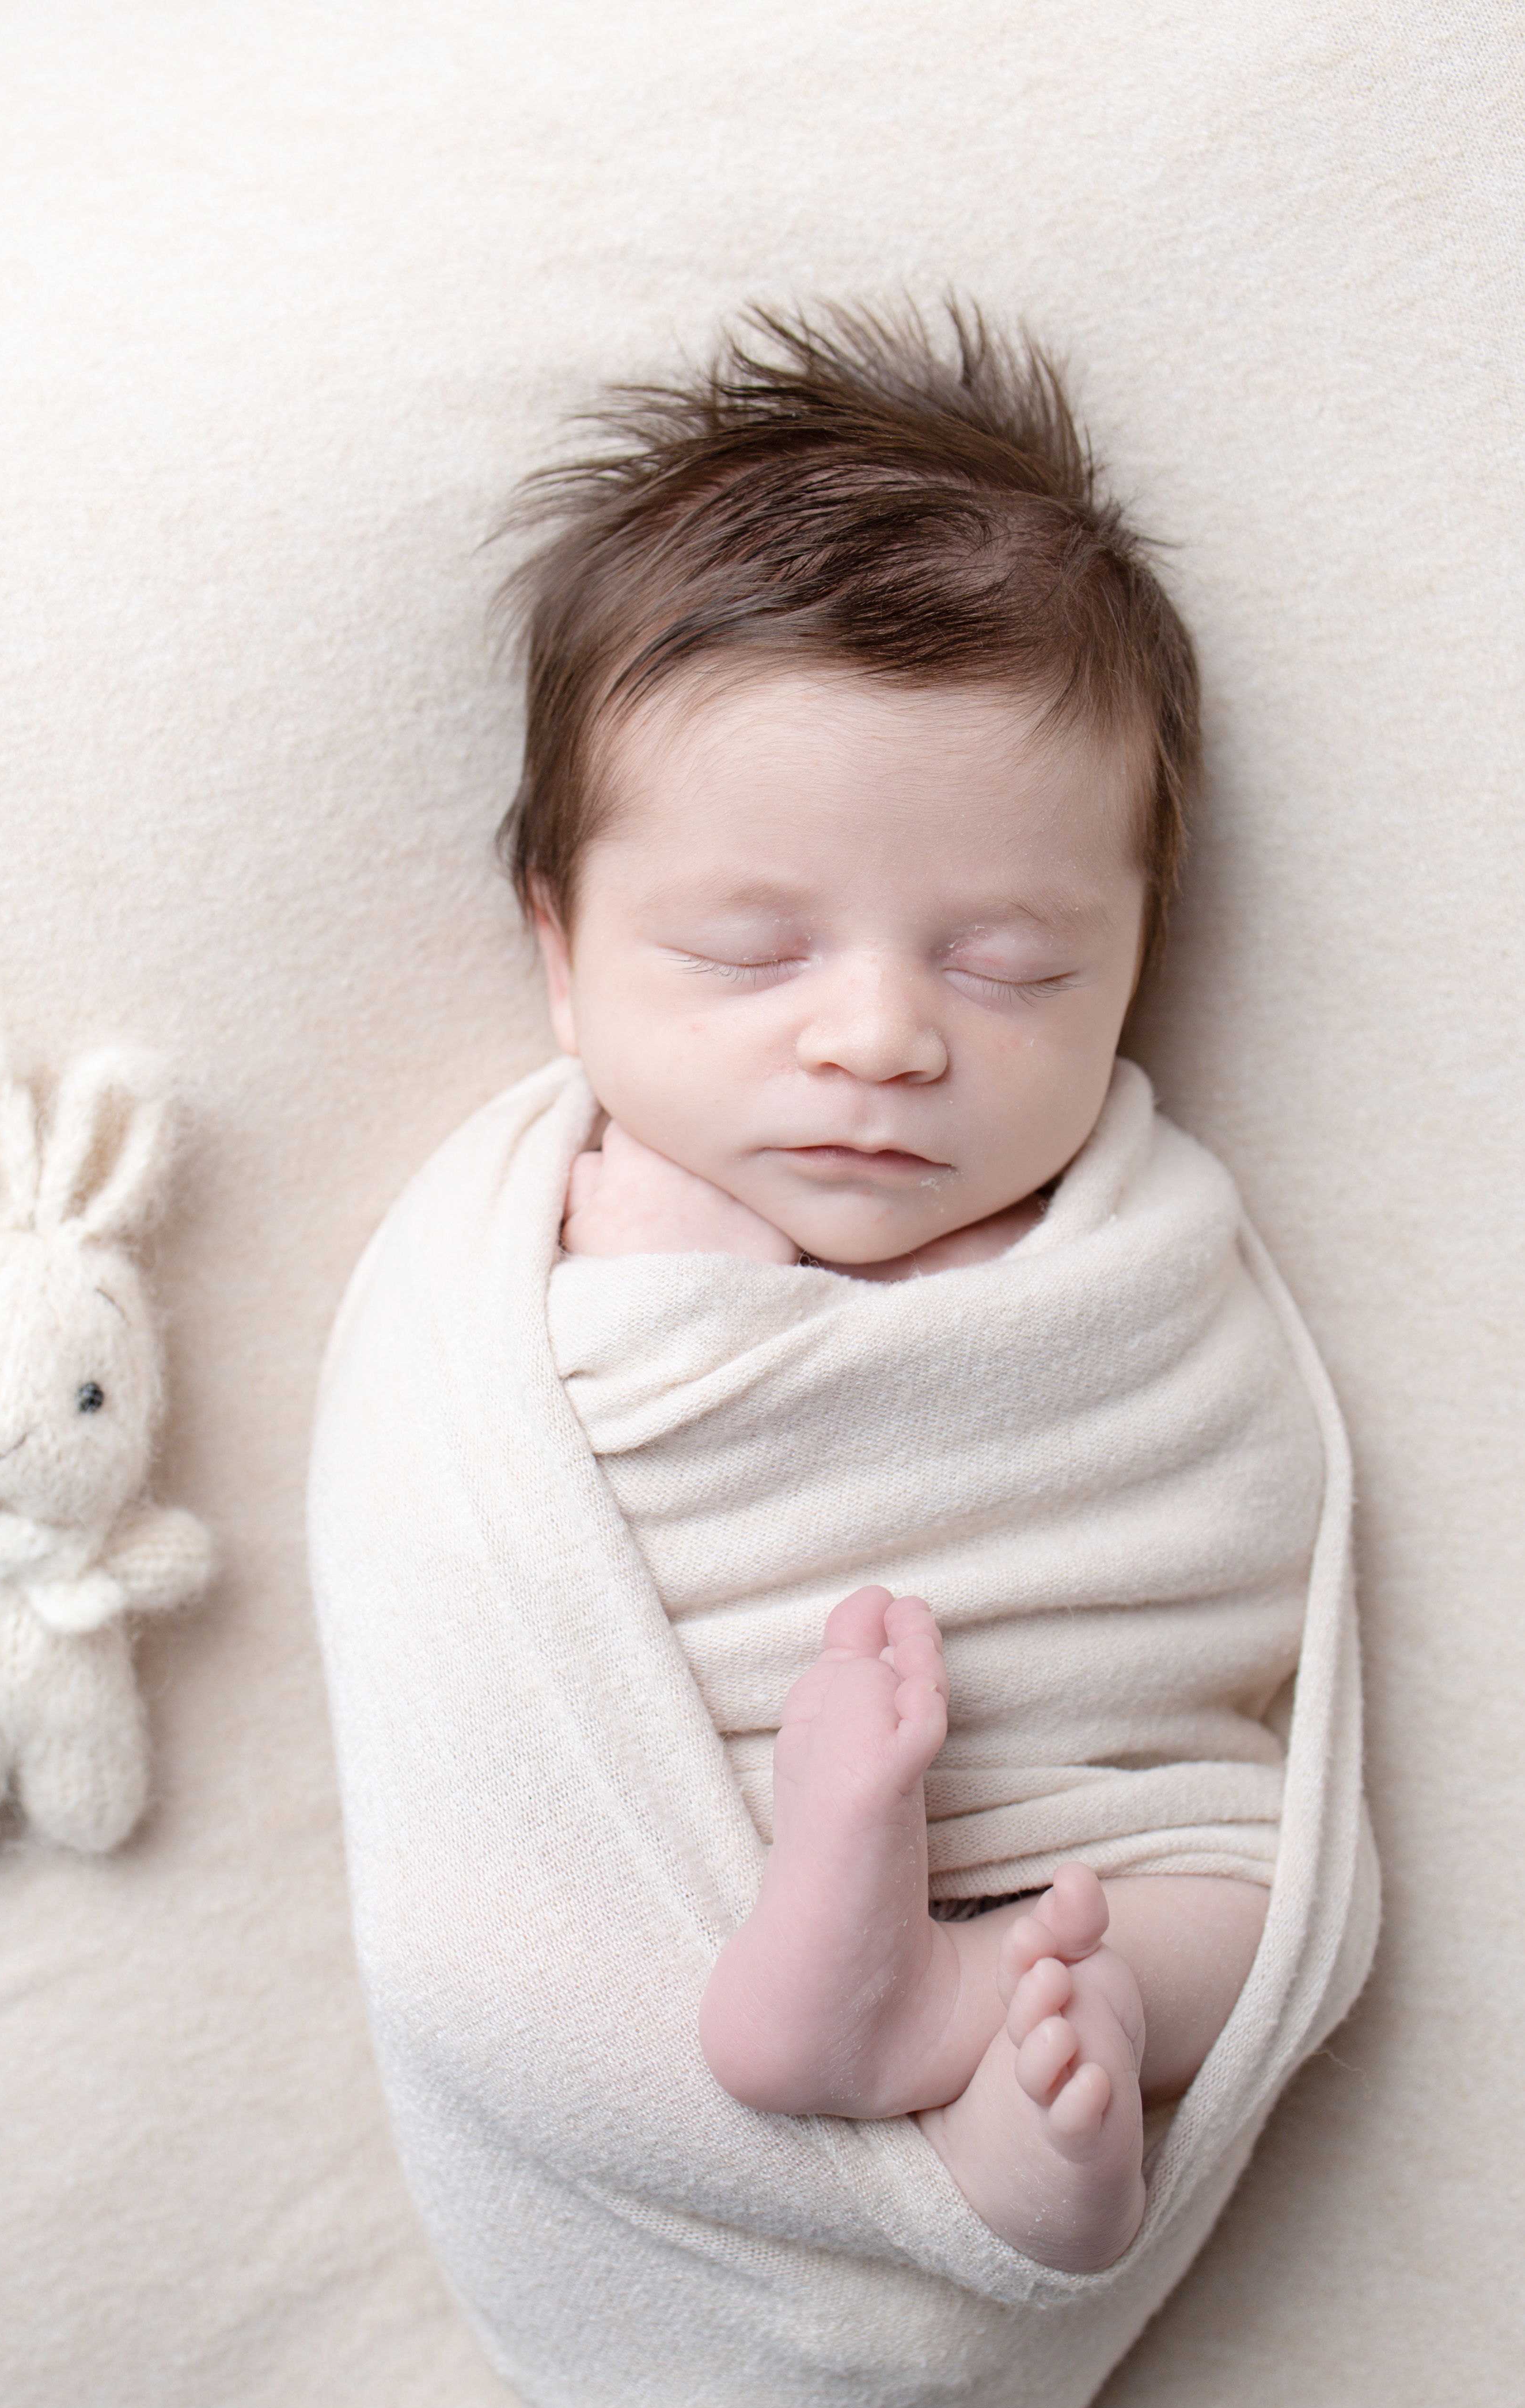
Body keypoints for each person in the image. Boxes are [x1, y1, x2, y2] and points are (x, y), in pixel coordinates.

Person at [506, 305, 1323, 2272]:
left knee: (1280, 1898)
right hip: (713, 1821)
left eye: (1011, 968)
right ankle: (871, 1957)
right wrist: (668, 1309)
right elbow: (510, 1536)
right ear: (561, 949)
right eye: (749, 947)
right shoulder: (596, 1225)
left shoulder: (1128, 1246)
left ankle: (967, 2051)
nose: (877, 1037)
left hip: (1099, 1800)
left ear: (1141, 956)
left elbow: (1221, 1515)